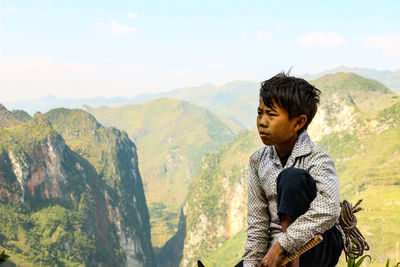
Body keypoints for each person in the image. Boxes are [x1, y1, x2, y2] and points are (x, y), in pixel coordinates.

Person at [237, 72, 343, 267]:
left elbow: (329, 209)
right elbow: (258, 224)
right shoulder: (258, 161)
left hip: (316, 245)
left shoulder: (318, 159)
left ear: (299, 122)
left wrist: (283, 245)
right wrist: (251, 264)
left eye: (271, 114)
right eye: (260, 112)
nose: (262, 121)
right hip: (275, 246)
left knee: (291, 178)